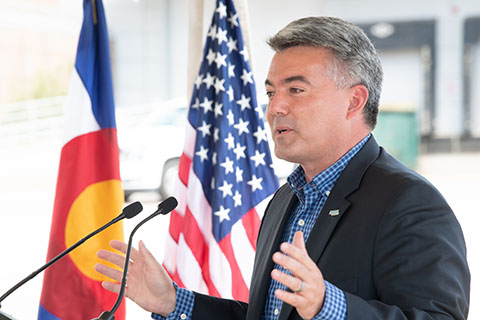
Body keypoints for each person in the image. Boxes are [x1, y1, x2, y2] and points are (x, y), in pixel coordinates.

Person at [95, 16, 470, 319]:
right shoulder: (285, 199)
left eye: (296, 90)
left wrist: (329, 307)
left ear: (355, 101)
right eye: (272, 91)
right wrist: (174, 302)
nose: (275, 108)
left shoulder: (410, 203)